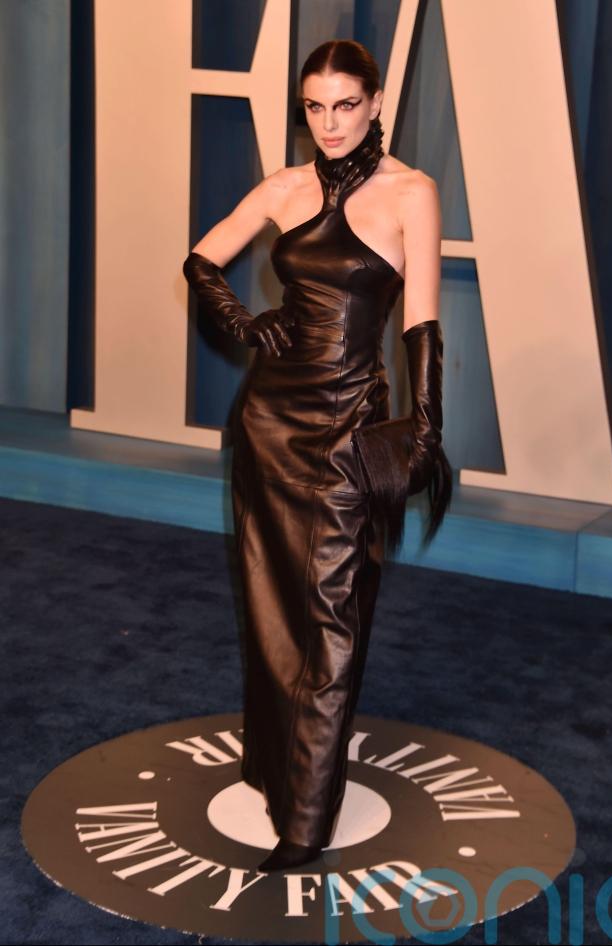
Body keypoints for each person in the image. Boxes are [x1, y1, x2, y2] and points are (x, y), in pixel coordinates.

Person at [182, 39, 452, 872]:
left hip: (346, 432)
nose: (330, 123)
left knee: (332, 617)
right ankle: (273, 768)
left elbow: (422, 321)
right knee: (268, 603)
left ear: (376, 103)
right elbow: (201, 259)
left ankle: (305, 817)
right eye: (314, 107)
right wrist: (244, 322)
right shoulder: (286, 187)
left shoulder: (412, 192)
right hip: (268, 423)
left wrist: (426, 427)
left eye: (345, 105)